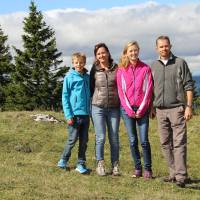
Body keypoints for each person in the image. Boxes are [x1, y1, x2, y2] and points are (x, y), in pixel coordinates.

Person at [151, 35, 194, 188]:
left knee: (179, 143)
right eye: (161, 46)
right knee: (164, 143)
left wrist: (189, 106)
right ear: (156, 48)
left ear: (170, 46)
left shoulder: (180, 63)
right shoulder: (153, 66)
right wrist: (151, 107)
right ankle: (173, 173)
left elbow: (189, 85)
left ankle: (181, 176)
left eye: (166, 46)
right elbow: (151, 90)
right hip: (160, 110)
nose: (164, 48)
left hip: (177, 109)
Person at [117, 41, 153, 179]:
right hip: (127, 110)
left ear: (139, 51)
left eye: (135, 50)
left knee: (144, 141)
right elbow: (121, 92)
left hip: (142, 109)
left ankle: (148, 169)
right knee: (133, 140)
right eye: (130, 51)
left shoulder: (145, 69)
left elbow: (148, 91)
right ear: (126, 53)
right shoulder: (121, 70)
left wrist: (142, 109)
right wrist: (129, 110)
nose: (133, 53)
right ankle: (137, 167)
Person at [90, 43, 120, 176]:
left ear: (108, 53)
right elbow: (91, 88)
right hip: (98, 107)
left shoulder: (117, 68)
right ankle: (100, 163)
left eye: (103, 52)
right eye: (98, 54)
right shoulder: (94, 69)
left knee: (114, 138)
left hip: (114, 108)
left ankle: (115, 165)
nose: (101, 55)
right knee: (100, 137)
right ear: (96, 56)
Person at [57, 52, 90, 174]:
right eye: (76, 62)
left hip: (86, 115)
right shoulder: (69, 77)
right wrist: (68, 115)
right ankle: (63, 160)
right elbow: (65, 97)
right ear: (73, 63)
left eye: (81, 62)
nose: (79, 64)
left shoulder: (87, 77)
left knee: (84, 141)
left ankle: (80, 164)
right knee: (72, 139)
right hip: (74, 115)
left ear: (84, 63)